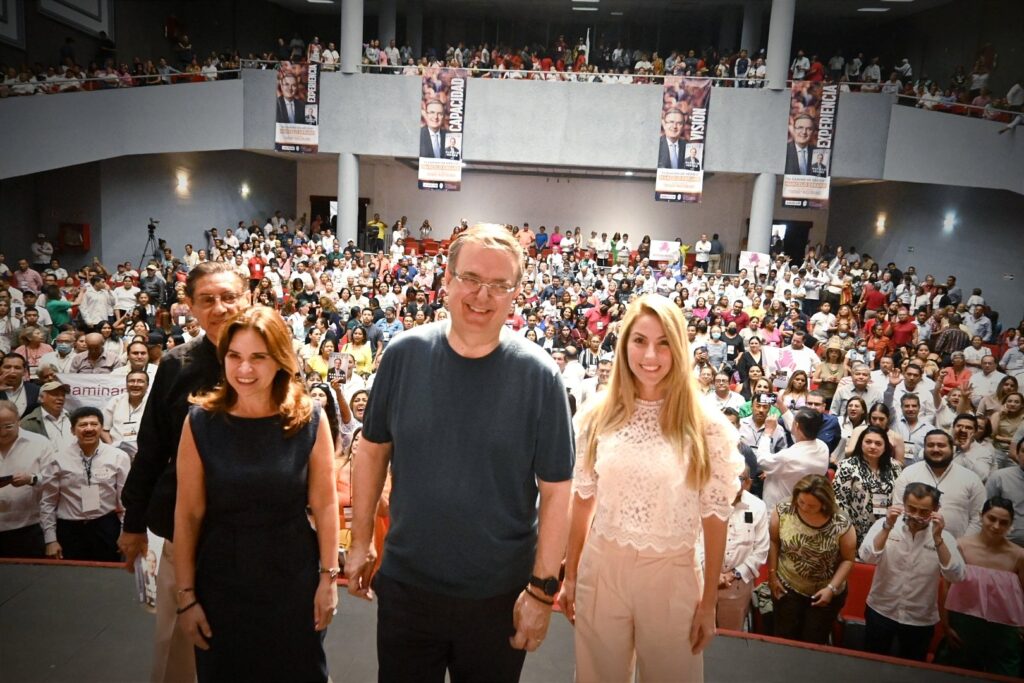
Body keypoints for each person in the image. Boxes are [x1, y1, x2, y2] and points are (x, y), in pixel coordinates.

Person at [345, 224, 574, 682]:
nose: (482, 295)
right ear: (446, 281)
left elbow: (557, 492)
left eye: (499, 285)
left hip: (499, 597)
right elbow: (371, 451)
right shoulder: (403, 355)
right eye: (470, 278)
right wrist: (360, 541)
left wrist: (541, 592)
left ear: (516, 294)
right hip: (409, 587)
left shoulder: (540, 376)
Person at [560, 294, 742, 682]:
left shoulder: (706, 425)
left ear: (679, 348)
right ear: (624, 343)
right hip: (602, 567)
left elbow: (714, 515)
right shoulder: (596, 415)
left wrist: (708, 601)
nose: (651, 356)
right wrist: (571, 574)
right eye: (640, 341)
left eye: (663, 344)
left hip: (672, 572)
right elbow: (582, 500)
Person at [173, 306, 338, 682]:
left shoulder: (309, 418)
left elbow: (326, 505)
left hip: (293, 581)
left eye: (257, 358)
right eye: (235, 356)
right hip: (221, 582)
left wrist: (328, 579)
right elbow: (188, 515)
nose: (244, 370)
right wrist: (186, 597)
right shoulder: (200, 421)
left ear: (280, 360)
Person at [119, 262, 247, 683]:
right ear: (189, 307)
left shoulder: (275, 359)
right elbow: (151, 450)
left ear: (247, 298)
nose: (220, 307)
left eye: (229, 297)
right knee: (177, 644)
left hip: (256, 527)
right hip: (186, 527)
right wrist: (134, 523)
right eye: (207, 300)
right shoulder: (176, 366)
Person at [859, 483, 966, 661]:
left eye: (924, 512)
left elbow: (957, 576)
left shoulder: (945, 537)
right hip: (881, 609)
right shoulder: (883, 525)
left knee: (912, 671)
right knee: (871, 664)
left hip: (919, 618)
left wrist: (938, 540)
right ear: (903, 504)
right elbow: (867, 557)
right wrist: (887, 527)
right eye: (911, 509)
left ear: (936, 510)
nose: (916, 515)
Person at [938, 497, 1024, 676]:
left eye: (1003, 522)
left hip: (1005, 627)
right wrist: (946, 624)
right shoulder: (962, 545)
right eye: (991, 518)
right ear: (981, 516)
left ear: (1010, 525)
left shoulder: (1018, 555)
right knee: (958, 672)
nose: (996, 526)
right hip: (964, 622)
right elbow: (947, 586)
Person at [768, 474, 856, 645]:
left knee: (813, 639)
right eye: (801, 502)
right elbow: (774, 541)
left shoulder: (841, 522)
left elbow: (848, 560)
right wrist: (772, 575)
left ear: (825, 504)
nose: (805, 508)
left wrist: (831, 588)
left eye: (812, 506)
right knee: (784, 636)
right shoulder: (784, 509)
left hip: (825, 590)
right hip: (788, 585)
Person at [39, 406, 131, 561]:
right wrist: (51, 539)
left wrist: (125, 533)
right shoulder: (57, 459)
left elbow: (125, 501)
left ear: (101, 428)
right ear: (73, 430)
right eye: (83, 425)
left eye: (94, 424)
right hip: (69, 530)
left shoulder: (119, 457)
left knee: (107, 579)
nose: (89, 429)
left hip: (106, 527)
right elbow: (48, 502)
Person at [892, 430, 985, 539]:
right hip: (912, 545)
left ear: (952, 449)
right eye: (930, 445)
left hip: (956, 548)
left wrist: (962, 545)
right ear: (924, 449)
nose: (935, 449)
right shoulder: (909, 473)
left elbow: (977, 519)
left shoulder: (970, 479)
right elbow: (898, 509)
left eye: (941, 445)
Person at [714, 464, 769, 632]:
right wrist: (712, 573)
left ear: (748, 483)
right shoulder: (708, 502)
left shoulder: (758, 507)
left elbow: (760, 551)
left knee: (730, 638)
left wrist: (732, 574)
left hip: (737, 586)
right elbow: (697, 541)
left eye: (740, 478)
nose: (734, 483)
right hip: (704, 581)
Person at [833, 425, 903, 546]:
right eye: (868, 442)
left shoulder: (894, 467)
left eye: (878, 443)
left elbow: (899, 498)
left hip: (886, 526)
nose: (872, 446)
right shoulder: (847, 466)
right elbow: (839, 501)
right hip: (855, 528)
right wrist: (847, 530)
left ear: (885, 446)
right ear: (861, 443)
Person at [0, 400, 51, 558]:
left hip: (28, 528)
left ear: (18, 420)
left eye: (8, 426)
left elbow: (53, 481)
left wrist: (32, 479)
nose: (2, 433)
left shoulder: (39, 443)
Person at [756, 406, 830, 510]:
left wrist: (767, 432)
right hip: (804, 506)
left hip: (780, 509)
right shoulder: (823, 447)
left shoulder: (787, 457)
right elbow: (800, 434)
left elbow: (762, 460)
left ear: (797, 425)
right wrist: (780, 404)